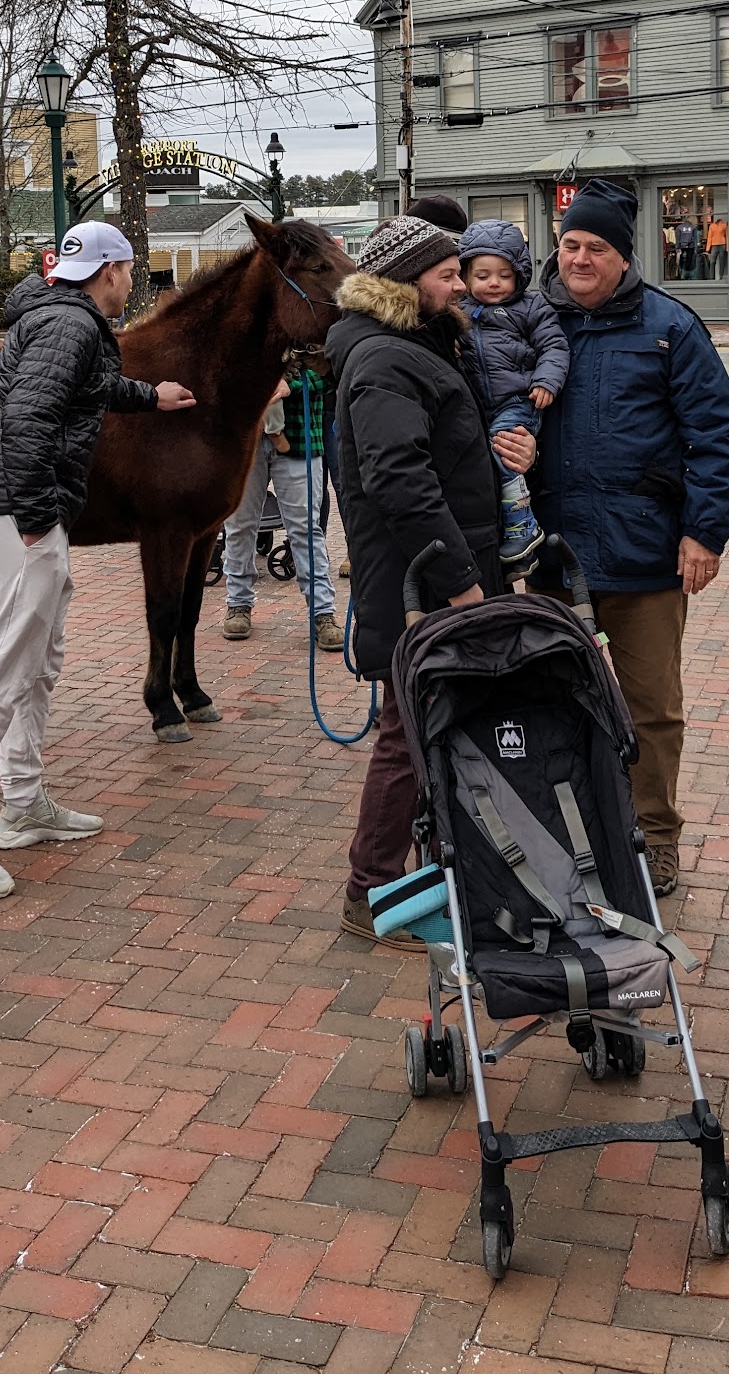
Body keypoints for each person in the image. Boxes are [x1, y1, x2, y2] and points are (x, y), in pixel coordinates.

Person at [0, 222, 196, 900]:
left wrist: (149, 396)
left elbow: (82, 388)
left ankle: (24, 802)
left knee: (37, 658)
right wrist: (38, 517)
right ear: (110, 270)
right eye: (129, 269)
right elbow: (30, 419)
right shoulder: (70, 324)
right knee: (5, 665)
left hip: (20, 509)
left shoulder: (59, 317)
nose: (130, 281)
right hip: (23, 513)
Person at [524, 179, 729, 899]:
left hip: (644, 555)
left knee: (651, 709)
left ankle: (655, 836)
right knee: (554, 703)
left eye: (596, 247)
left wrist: (703, 533)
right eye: (570, 244)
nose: (579, 259)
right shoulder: (530, 324)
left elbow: (716, 437)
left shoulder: (669, 327)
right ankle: (570, 830)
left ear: (624, 256)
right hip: (553, 555)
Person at [327, 214, 530, 941]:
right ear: (407, 281)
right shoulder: (388, 357)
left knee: (424, 726)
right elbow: (400, 481)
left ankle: (421, 877)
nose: (461, 285)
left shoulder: (412, 343)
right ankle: (372, 894)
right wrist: (461, 584)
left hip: (429, 576)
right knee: (408, 733)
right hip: (424, 584)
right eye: (447, 274)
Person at [458, 218, 569, 564]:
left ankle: (522, 523)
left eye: (504, 275)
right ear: (466, 276)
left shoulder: (531, 307)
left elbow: (554, 346)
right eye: (483, 276)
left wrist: (546, 380)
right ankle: (512, 541)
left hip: (518, 401)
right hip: (478, 406)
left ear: (519, 275)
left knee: (504, 449)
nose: (494, 283)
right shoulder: (457, 312)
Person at [223, 370, 346, 651]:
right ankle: (238, 603)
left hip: (300, 436)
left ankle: (322, 611)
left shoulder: (312, 340)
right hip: (243, 437)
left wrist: (291, 384)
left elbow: (332, 371)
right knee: (239, 525)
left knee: (306, 529)